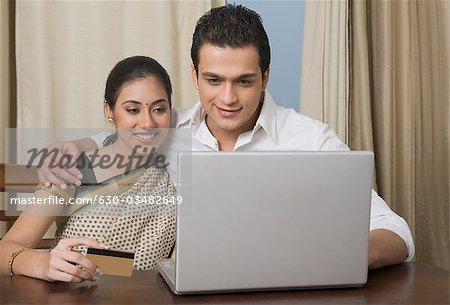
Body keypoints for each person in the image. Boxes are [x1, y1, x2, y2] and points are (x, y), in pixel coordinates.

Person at [35, 5, 414, 269]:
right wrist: (75, 145)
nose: (228, 99)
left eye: (244, 81)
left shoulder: (312, 140)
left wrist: (345, 253)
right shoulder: (167, 130)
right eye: (213, 80)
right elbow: (118, 135)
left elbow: (396, 231)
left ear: (265, 77)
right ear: (195, 75)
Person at [0, 56, 177, 281]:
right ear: (109, 110)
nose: (148, 123)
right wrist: (42, 264)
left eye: (159, 109)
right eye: (132, 110)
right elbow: (6, 250)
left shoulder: (174, 167)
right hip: (78, 296)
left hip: (149, 297)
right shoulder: (70, 169)